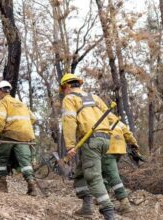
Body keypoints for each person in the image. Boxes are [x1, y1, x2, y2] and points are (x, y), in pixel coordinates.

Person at [60, 73, 115, 219]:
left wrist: (70, 146)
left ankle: (109, 213)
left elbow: (69, 121)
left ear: (66, 86)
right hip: (104, 139)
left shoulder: (69, 98)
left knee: (93, 176)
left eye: (62, 89)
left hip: (91, 140)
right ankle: (86, 207)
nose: (63, 92)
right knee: (81, 173)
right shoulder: (95, 98)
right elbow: (111, 118)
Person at [0, 80, 37, 196]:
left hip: (9, 135)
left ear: (0, 92)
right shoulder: (21, 103)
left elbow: (0, 121)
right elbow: (33, 119)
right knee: (25, 161)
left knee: (1, 158)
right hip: (25, 136)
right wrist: (22, 126)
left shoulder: (3, 102)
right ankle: (31, 185)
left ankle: (3, 185)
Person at [102, 120, 139, 213]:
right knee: (106, 171)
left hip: (109, 147)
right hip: (120, 148)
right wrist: (135, 144)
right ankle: (104, 197)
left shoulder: (97, 115)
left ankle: (124, 202)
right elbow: (127, 133)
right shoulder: (115, 119)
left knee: (111, 174)